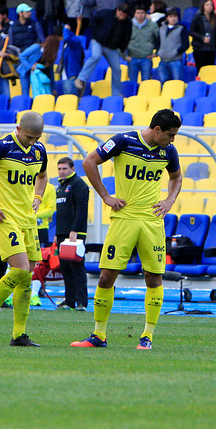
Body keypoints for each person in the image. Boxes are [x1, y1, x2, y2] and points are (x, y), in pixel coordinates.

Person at [70, 109, 182, 350]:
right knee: (106, 277)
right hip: (124, 218)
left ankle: (147, 337)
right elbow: (89, 162)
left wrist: (169, 201)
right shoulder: (123, 140)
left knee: (153, 278)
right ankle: (98, 335)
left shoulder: (168, 151)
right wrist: (105, 196)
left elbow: (176, 177)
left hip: (152, 220)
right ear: (157, 130)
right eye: (170, 135)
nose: (173, 140)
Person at [0, 111, 48, 347]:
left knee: (27, 275)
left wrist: (38, 196)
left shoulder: (39, 150)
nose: (32, 142)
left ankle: (18, 334)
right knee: (20, 269)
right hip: (5, 217)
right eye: (28, 137)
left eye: (36, 138)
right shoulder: (1, 147)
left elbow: (43, 175)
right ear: (18, 129)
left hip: (28, 219)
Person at [74, 4, 132, 98]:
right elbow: (93, 19)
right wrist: (96, 32)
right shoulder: (106, 13)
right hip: (98, 41)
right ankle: (81, 78)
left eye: (124, 16)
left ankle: (116, 93)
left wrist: (122, 49)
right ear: (117, 10)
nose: (121, 17)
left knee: (117, 69)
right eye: (120, 14)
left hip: (112, 47)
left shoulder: (128, 23)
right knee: (95, 56)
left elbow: (126, 37)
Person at [55, 157, 89, 311]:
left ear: (72, 168)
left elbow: (81, 210)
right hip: (62, 233)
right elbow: (61, 213)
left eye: (64, 168)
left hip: (75, 234)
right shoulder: (60, 186)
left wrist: (74, 230)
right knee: (65, 269)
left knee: (77, 268)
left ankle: (81, 302)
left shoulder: (78, 185)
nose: (62, 171)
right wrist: (58, 233)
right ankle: (69, 301)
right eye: (59, 169)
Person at [126, 5, 159, 83]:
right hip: (132, 57)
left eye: (142, 13)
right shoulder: (128, 24)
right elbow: (123, 40)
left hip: (146, 57)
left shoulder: (152, 25)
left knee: (146, 82)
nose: (140, 15)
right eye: (138, 13)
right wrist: (125, 55)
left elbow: (159, 40)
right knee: (132, 82)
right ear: (134, 14)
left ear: (146, 13)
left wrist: (156, 53)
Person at [158, 7, 189, 83]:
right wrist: (158, 52)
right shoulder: (161, 29)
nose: (173, 19)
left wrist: (176, 52)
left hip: (176, 60)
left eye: (175, 16)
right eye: (171, 16)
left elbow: (186, 44)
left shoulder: (182, 29)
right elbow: (158, 42)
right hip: (163, 60)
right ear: (167, 18)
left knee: (177, 82)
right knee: (163, 83)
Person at [189, 0, 216, 71]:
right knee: (202, 70)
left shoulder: (214, 18)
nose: (210, 7)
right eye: (207, 5)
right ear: (203, 6)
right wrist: (202, 38)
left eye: (211, 5)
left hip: (211, 48)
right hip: (200, 48)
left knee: (210, 70)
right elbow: (191, 31)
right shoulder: (197, 17)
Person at [59, 24, 85, 95]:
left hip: (72, 76)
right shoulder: (66, 44)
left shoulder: (75, 41)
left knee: (72, 100)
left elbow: (67, 38)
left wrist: (66, 29)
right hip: (65, 76)